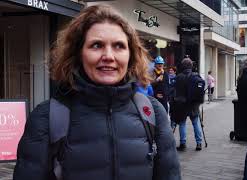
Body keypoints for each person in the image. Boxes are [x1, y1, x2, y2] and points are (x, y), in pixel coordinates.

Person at [13, 5, 181, 180]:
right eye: (96, 45)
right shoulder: (46, 117)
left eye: (119, 46)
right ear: (78, 54)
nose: (108, 55)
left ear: (130, 55)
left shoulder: (153, 113)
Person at [172, 57, 203, 151]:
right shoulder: (196, 76)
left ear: (182, 66)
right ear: (191, 66)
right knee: (196, 123)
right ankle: (199, 143)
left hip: (182, 104)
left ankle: (183, 143)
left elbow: (175, 91)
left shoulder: (178, 77)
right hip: (193, 104)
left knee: (182, 124)